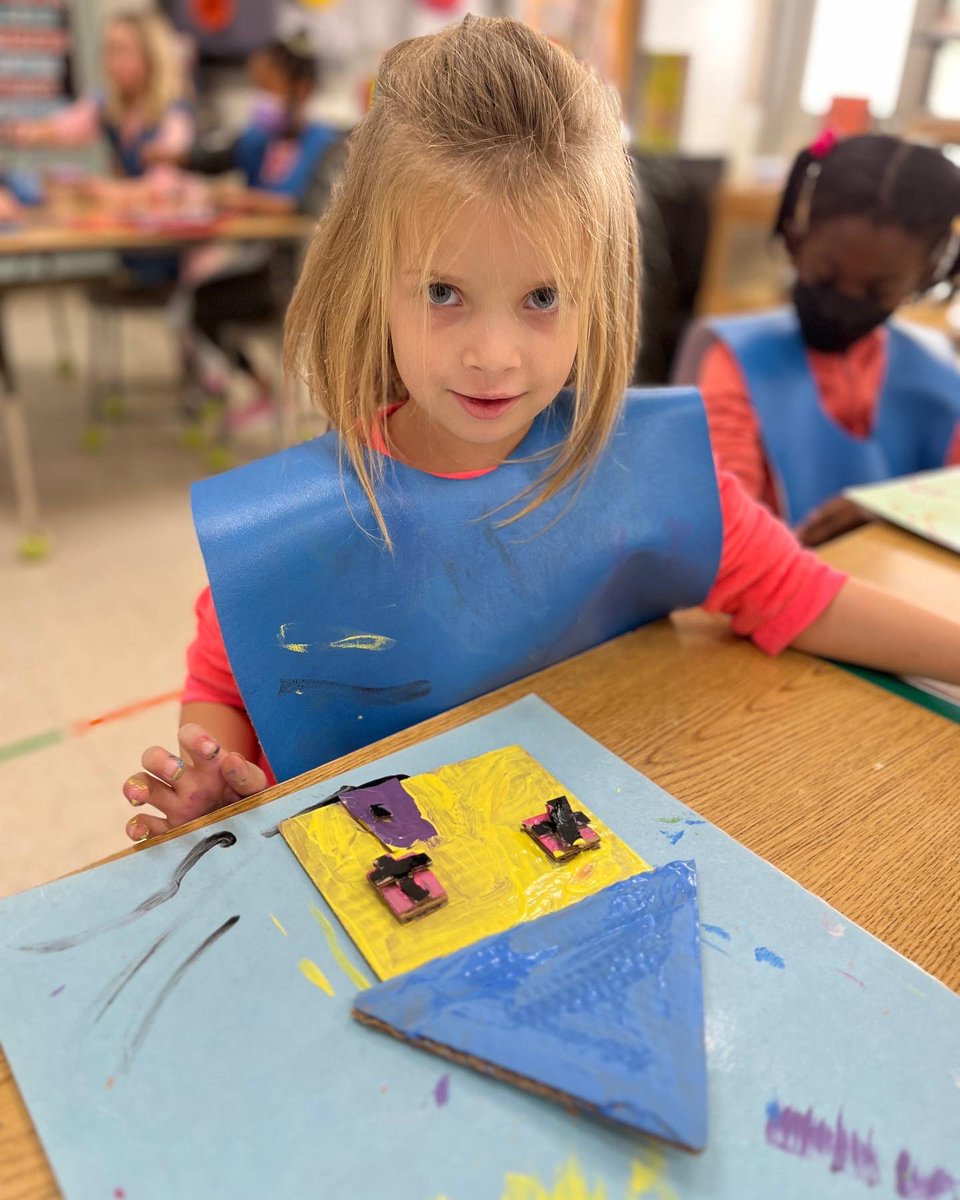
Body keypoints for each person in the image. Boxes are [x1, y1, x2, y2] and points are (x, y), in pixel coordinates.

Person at [119, 17, 960, 842]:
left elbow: (799, 592)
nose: (494, 357)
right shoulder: (295, 526)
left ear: (599, 291)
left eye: (543, 297)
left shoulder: (645, 474)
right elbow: (226, 686)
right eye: (444, 292)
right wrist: (211, 786)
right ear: (373, 283)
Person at [674, 133, 960, 546]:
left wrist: (890, 510)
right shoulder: (739, 360)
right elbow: (719, 526)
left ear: (927, 274)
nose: (843, 302)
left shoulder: (936, 373)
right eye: (826, 276)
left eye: (877, 291)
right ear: (796, 238)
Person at [172, 34, 340, 424]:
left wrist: (241, 200)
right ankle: (256, 387)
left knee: (198, 304)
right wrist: (173, 156)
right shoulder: (260, 139)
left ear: (302, 90)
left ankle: (259, 389)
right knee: (195, 303)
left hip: (294, 277)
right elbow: (212, 157)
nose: (259, 97)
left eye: (268, 88)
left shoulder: (323, 143)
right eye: (256, 87)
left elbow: (303, 206)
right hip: (260, 264)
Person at [12, 9, 194, 288]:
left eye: (122, 51)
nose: (111, 62)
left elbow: (165, 187)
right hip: (134, 241)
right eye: (108, 51)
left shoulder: (173, 112)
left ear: (151, 56)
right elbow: (61, 127)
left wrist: (103, 190)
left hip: (177, 251)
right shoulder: (108, 106)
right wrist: (20, 131)